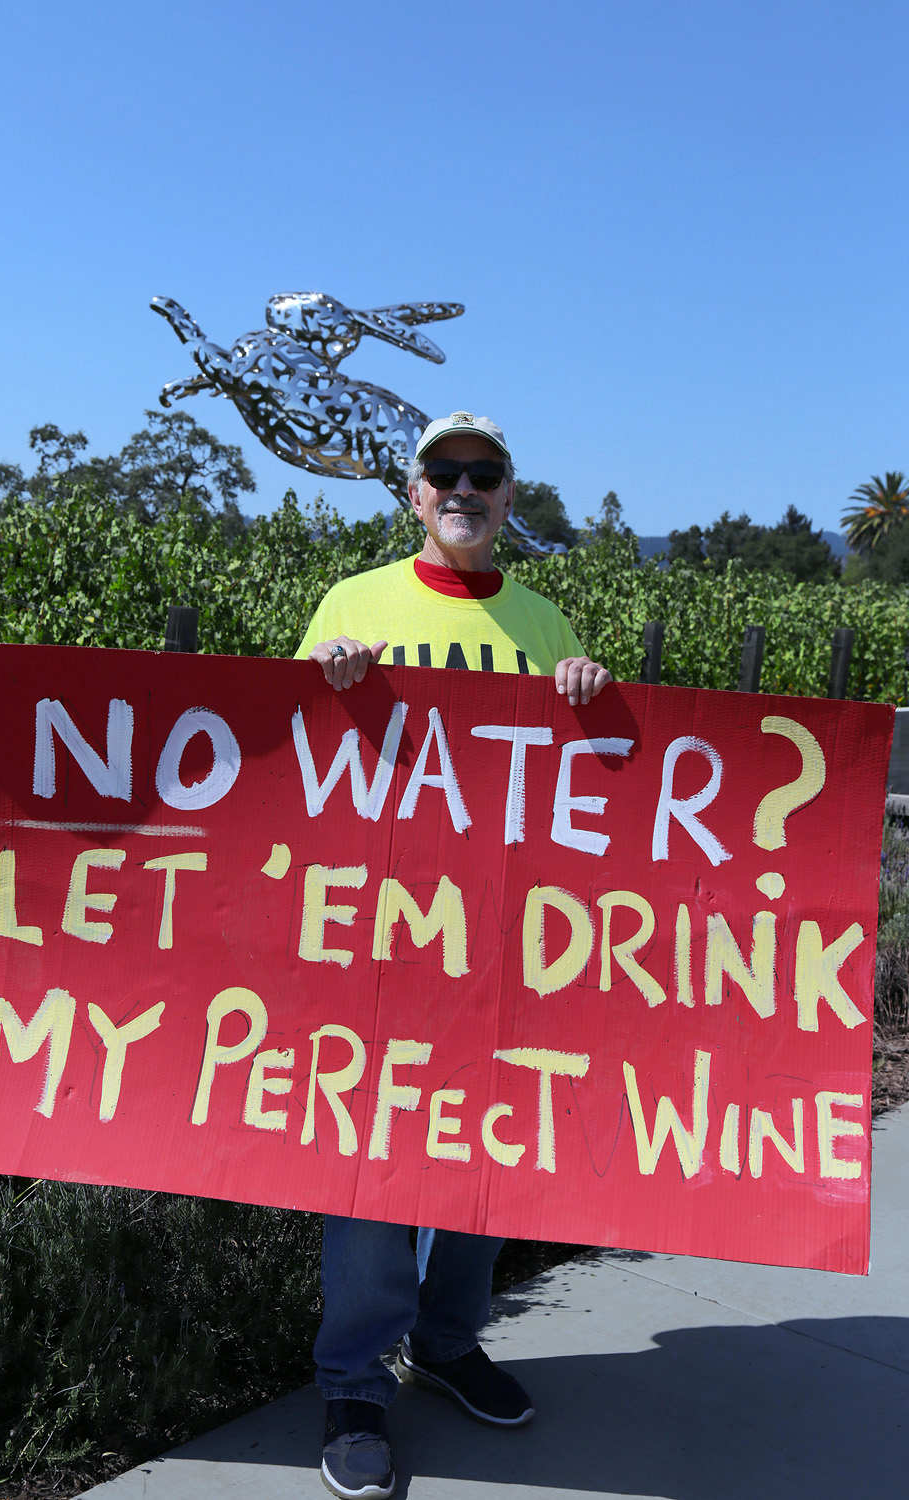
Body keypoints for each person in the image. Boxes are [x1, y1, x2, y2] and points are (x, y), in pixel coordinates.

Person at [295, 411, 612, 1500]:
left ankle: (446, 1341)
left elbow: (579, 790)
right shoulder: (350, 604)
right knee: (373, 1164)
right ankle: (354, 1381)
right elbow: (287, 764)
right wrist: (324, 679)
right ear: (414, 494)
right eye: (445, 472)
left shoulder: (541, 617)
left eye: (485, 472)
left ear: (510, 496)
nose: (464, 487)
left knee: (489, 1157)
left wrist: (585, 689)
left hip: (501, 947)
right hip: (380, 938)